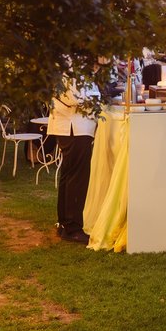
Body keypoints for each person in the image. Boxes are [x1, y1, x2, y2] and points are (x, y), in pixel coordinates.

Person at [48, 72, 99, 244]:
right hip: (74, 127)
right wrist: (98, 96)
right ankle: (73, 228)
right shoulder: (69, 66)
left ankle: (65, 223)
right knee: (77, 177)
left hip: (73, 126)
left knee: (69, 174)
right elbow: (74, 97)